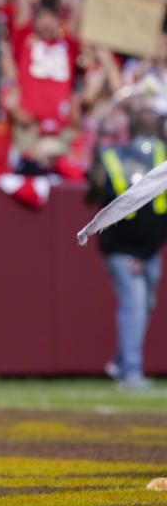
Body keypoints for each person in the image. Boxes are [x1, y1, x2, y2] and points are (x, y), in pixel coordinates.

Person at [86, 105, 166, 391]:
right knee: (134, 306)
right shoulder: (110, 155)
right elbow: (92, 196)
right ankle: (131, 372)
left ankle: (121, 363)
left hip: (152, 249)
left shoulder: (161, 153)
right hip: (122, 249)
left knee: (144, 307)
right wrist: (95, 176)